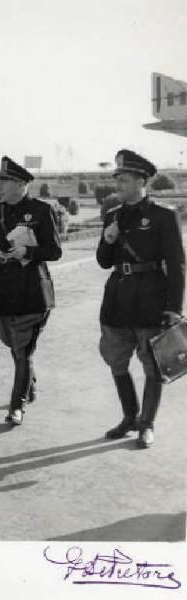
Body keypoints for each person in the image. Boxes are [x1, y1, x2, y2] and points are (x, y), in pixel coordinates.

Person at [97, 149, 185, 449]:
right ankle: (129, 417)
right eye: (117, 179)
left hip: (150, 299)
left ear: (140, 181)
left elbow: (177, 264)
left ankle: (146, 424)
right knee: (116, 361)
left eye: (123, 179)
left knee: (153, 366)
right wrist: (108, 240)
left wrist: (175, 308)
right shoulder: (112, 215)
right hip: (117, 301)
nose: (117, 184)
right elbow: (103, 261)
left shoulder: (163, 216)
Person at [0, 156, 61, 426]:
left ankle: (17, 406)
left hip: (31, 290)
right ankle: (29, 383)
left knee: (23, 349)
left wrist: (27, 250)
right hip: (2, 290)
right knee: (13, 345)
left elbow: (55, 250)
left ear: (20, 184)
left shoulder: (40, 210)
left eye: (4, 182)